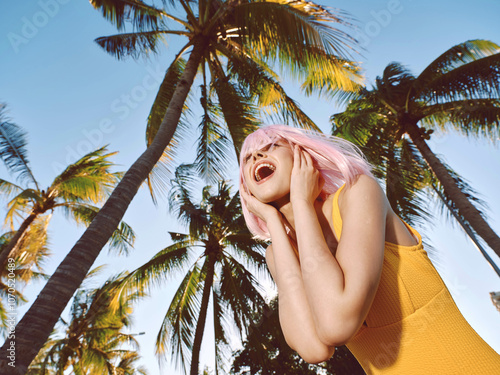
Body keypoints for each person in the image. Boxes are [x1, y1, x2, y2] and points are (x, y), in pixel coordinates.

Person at [239, 124, 500, 374]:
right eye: (247, 158)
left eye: (271, 146)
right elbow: (314, 348)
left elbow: (337, 324)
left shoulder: (358, 192)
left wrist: (301, 201)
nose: (256, 156)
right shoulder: (280, 253)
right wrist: (274, 223)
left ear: (303, 154)